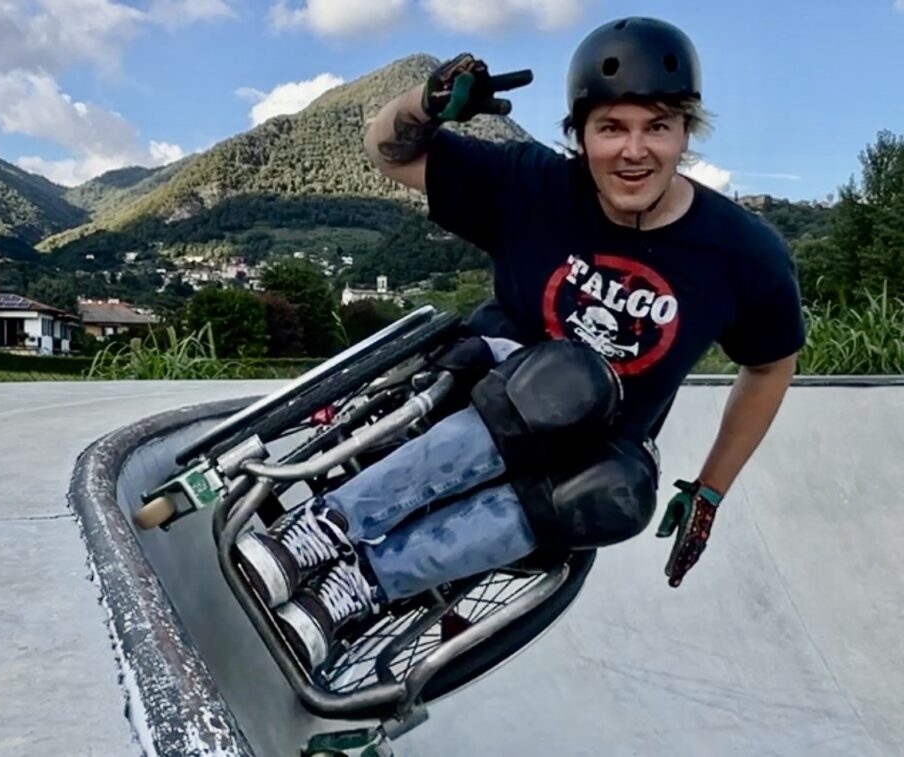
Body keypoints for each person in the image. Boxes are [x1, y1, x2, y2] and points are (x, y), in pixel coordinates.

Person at [235, 16, 807, 672]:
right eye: (611, 127)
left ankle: (355, 587)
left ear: (685, 134)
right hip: (479, 396)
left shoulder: (744, 253)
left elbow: (771, 364)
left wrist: (709, 491)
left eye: (657, 127)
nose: (634, 151)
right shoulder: (534, 185)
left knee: (622, 488)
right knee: (570, 380)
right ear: (582, 135)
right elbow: (387, 151)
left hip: (570, 470)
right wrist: (425, 103)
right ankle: (327, 528)